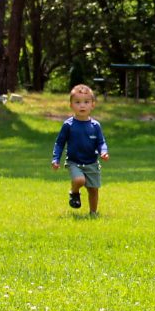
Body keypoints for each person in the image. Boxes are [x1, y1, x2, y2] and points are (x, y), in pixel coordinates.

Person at [51, 84, 109, 216]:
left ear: (92, 105)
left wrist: (103, 152)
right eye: (77, 102)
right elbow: (59, 143)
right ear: (71, 105)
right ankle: (74, 192)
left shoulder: (95, 126)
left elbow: (101, 142)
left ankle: (93, 213)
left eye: (86, 102)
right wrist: (56, 159)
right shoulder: (68, 125)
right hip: (74, 162)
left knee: (93, 190)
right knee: (79, 180)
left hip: (92, 163)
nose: (82, 106)